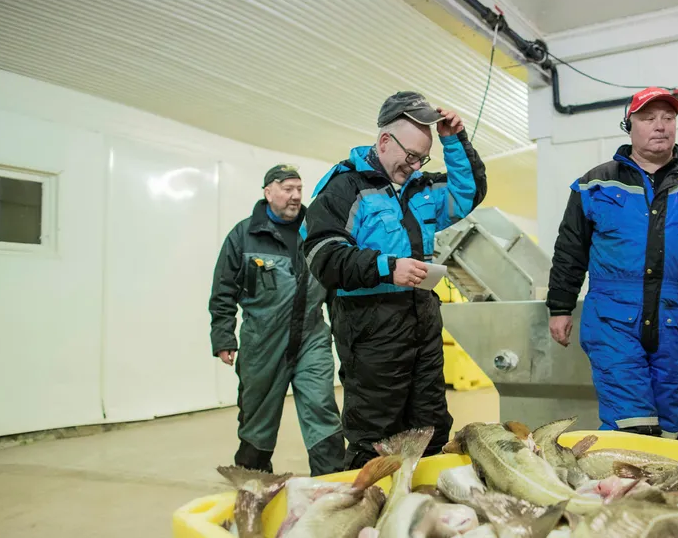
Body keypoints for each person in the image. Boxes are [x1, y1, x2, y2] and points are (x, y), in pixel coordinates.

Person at [546, 87, 678, 439]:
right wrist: (560, 306)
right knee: (631, 423)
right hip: (612, 316)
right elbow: (570, 250)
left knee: (668, 425)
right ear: (629, 126)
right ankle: (625, 491)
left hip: (673, 317)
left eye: (668, 118)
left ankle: (661, 493)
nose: (660, 126)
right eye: (648, 118)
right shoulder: (595, 183)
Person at [302, 91, 487, 470]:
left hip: (421, 323)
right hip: (371, 331)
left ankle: (425, 515)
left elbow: (467, 193)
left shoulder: (421, 188)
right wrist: (388, 267)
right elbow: (323, 255)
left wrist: (455, 140)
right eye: (411, 156)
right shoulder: (345, 188)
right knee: (378, 437)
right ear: (385, 141)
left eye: (424, 158)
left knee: (432, 429)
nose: (416, 165)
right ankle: (369, 519)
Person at [208, 164, 344, 475]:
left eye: (299, 188)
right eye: (287, 189)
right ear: (268, 192)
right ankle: (253, 485)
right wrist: (224, 336)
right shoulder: (244, 235)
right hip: (262, 342)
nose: (296, 196)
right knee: (257, 417)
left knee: (322, 407)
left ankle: (332, 485)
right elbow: (223, 289)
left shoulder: (318, 232)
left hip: (312, 337)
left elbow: (335, 287)